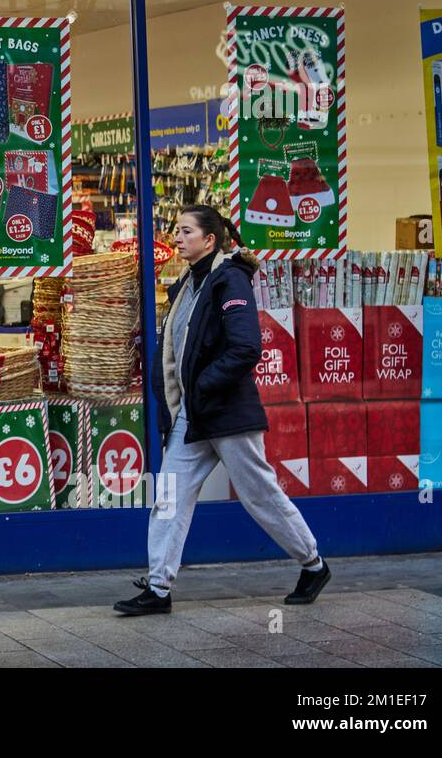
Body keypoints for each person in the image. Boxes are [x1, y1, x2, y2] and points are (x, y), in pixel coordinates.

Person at [114, 205, 330, 616]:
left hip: (228, 413)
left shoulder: (229, 281)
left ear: (209, 240)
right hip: (194, 416)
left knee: (259, 494)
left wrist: (204, 385)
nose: (176, 237)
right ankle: (158, 588)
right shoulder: (188, 285)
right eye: (175, 230)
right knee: (170, 498)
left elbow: (246, 348)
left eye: (185, 231)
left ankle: (313, 564)